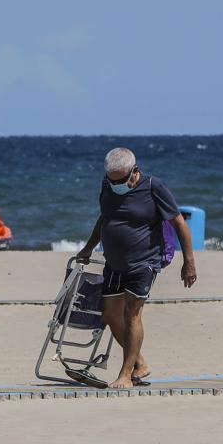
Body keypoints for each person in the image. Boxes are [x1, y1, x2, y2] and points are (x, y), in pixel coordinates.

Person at [76, 147, 197, 389]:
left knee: (131, 313)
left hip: (145, 262)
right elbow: (104, 218)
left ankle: (125, 374)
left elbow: (179, 224)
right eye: (112, 181)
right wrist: (89, 247)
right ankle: (140, 362)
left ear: (135, 172)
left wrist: (189, 263)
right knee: (110, 315)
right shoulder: (107, 185)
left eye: (120, 181)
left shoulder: (154, 187)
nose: (115, 185)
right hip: (114, 262)